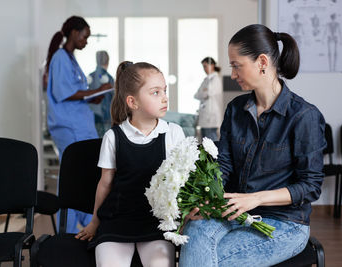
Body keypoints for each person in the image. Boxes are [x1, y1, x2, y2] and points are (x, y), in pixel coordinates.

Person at [179, 24, 326, 266]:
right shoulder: (235, 109)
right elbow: (223, 163)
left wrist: (255, 199)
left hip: (285, 223)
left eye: (237, 65)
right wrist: (207, 197)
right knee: (194, 230)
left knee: (210, 260)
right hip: (234, 210)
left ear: (262, 62)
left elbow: (310, 186)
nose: (233, 74)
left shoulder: (303, 116)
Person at [75, 61, 185, 267]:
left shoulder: (173, 133)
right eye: (155, 92)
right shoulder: (113, 137)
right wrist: (94, 223)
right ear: (133, 102)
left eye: (164, 90)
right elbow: (105, 184)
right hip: (117, 221)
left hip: (156, 222)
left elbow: (183, 182)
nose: (164, 97)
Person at [45, 16, 112, 233]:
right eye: (85, 36)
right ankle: (69, 229)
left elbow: (76, 92)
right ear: (74, 32)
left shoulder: (70, 59)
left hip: (78, 124)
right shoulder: (60, 58)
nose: (86, 41)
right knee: (73, 177)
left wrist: (93, 97)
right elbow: (64, 92)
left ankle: (83, 223)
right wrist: (96, 91)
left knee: (81, 175)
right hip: (68, 126)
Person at [194, 57, 223, 141]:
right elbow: (196, 95)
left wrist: (204, 92)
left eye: (206, 66)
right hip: (204, 116)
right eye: (203, 67)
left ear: (212, 65)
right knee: (205, 143)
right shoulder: (206, 80)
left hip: (211, 116)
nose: (204, 69)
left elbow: (207, 94)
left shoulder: (215, 79)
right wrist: (204, 92)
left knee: (211, 143)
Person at [88, 51, 115, 137]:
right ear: (108, 61)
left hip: (92, 117)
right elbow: (115, 99)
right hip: (106, 117)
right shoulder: (110, 79)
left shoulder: (90, 76)